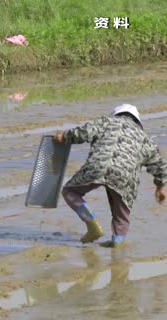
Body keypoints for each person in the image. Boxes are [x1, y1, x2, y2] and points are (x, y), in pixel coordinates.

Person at [55, 104, 166, 247]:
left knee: (69, 191)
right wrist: (160, 186)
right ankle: (117, 242)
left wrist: (64, 136)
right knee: (121, 213)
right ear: (138, 121)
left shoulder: (106, 121)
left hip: (99, 164)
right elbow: (159, 165)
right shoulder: (145, 138)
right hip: (126, 175)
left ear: (116, 115)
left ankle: (92, 224)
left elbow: (84, 132)